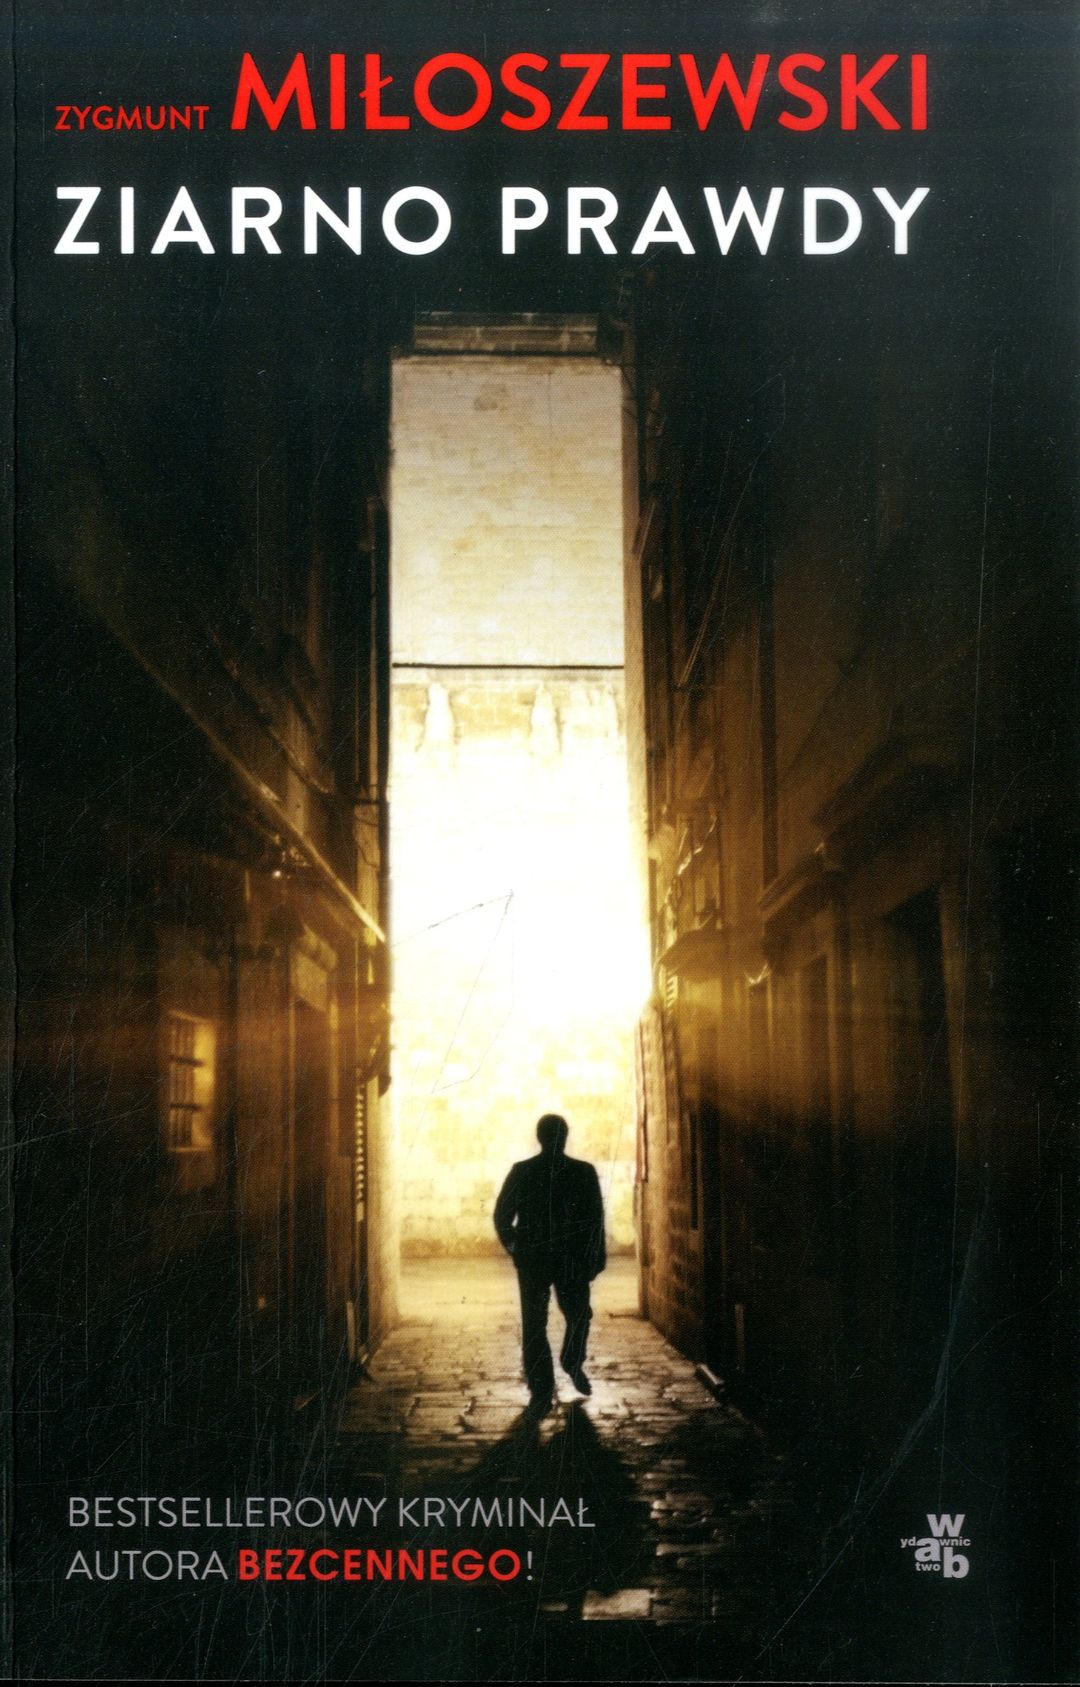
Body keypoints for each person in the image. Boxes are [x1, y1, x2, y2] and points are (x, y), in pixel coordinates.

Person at [494, 1113, 606, 1412]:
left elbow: (502, 1215)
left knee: (536, 1324)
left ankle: (542, 1386)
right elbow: (595, 1219)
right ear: (564, 1136)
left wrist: (516, 1247)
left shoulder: (523, 1172)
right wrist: (596, 1256)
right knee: (577, 1316)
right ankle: (570, 1362)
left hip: (536, 1259)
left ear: (539, 1137)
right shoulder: (582, 1172)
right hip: (571, 1258)